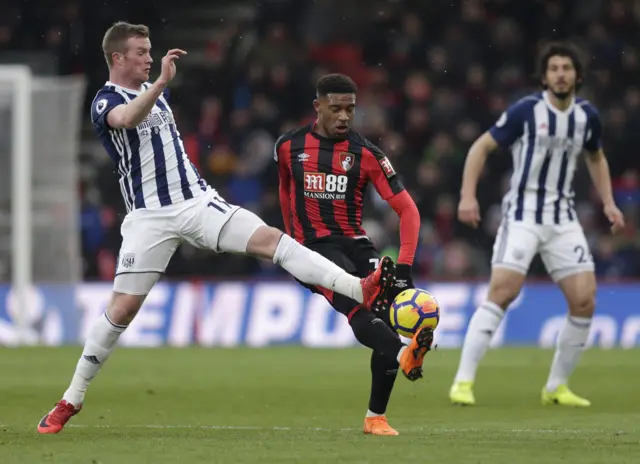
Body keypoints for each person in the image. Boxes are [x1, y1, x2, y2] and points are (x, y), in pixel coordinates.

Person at [37, 22, 395, 434]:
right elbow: (126, 120)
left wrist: (160, 90)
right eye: (141, 52)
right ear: (118, 58)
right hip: (148, 219)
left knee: (272, 240)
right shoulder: (106, 100)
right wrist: (160, 85)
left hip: (196, 203)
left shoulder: (158, 95)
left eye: (150, 50)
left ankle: (358, 287)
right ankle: (72, 399)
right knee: (122, 310)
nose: (150, 58)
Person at [449, 42, 625, 407]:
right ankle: (462, 381)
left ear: (577, 75)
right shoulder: (526, 111)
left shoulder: (587, 116)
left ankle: (556, 387)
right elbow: (480, 148)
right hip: (523, 215)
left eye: (566, 67)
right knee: (504, 291)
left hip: (563, 218)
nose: (560, 73)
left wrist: (608, 202)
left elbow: (596, 157)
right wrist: (468, 195)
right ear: (544, 77)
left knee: (584, 300)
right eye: (554, 68)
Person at [275, 73, 433, 436]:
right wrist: (291, 245)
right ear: (318, 108)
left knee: (389, 313)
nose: (344, 116)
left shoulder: (367, 155)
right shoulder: (288, 147)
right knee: (356, 303)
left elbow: (408, 211)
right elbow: (285, 190)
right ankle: (403, 355)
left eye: (350, 109)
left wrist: (405, 266)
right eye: (336, 109)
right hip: (314, 249)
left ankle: (376, 417)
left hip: (356, 243)